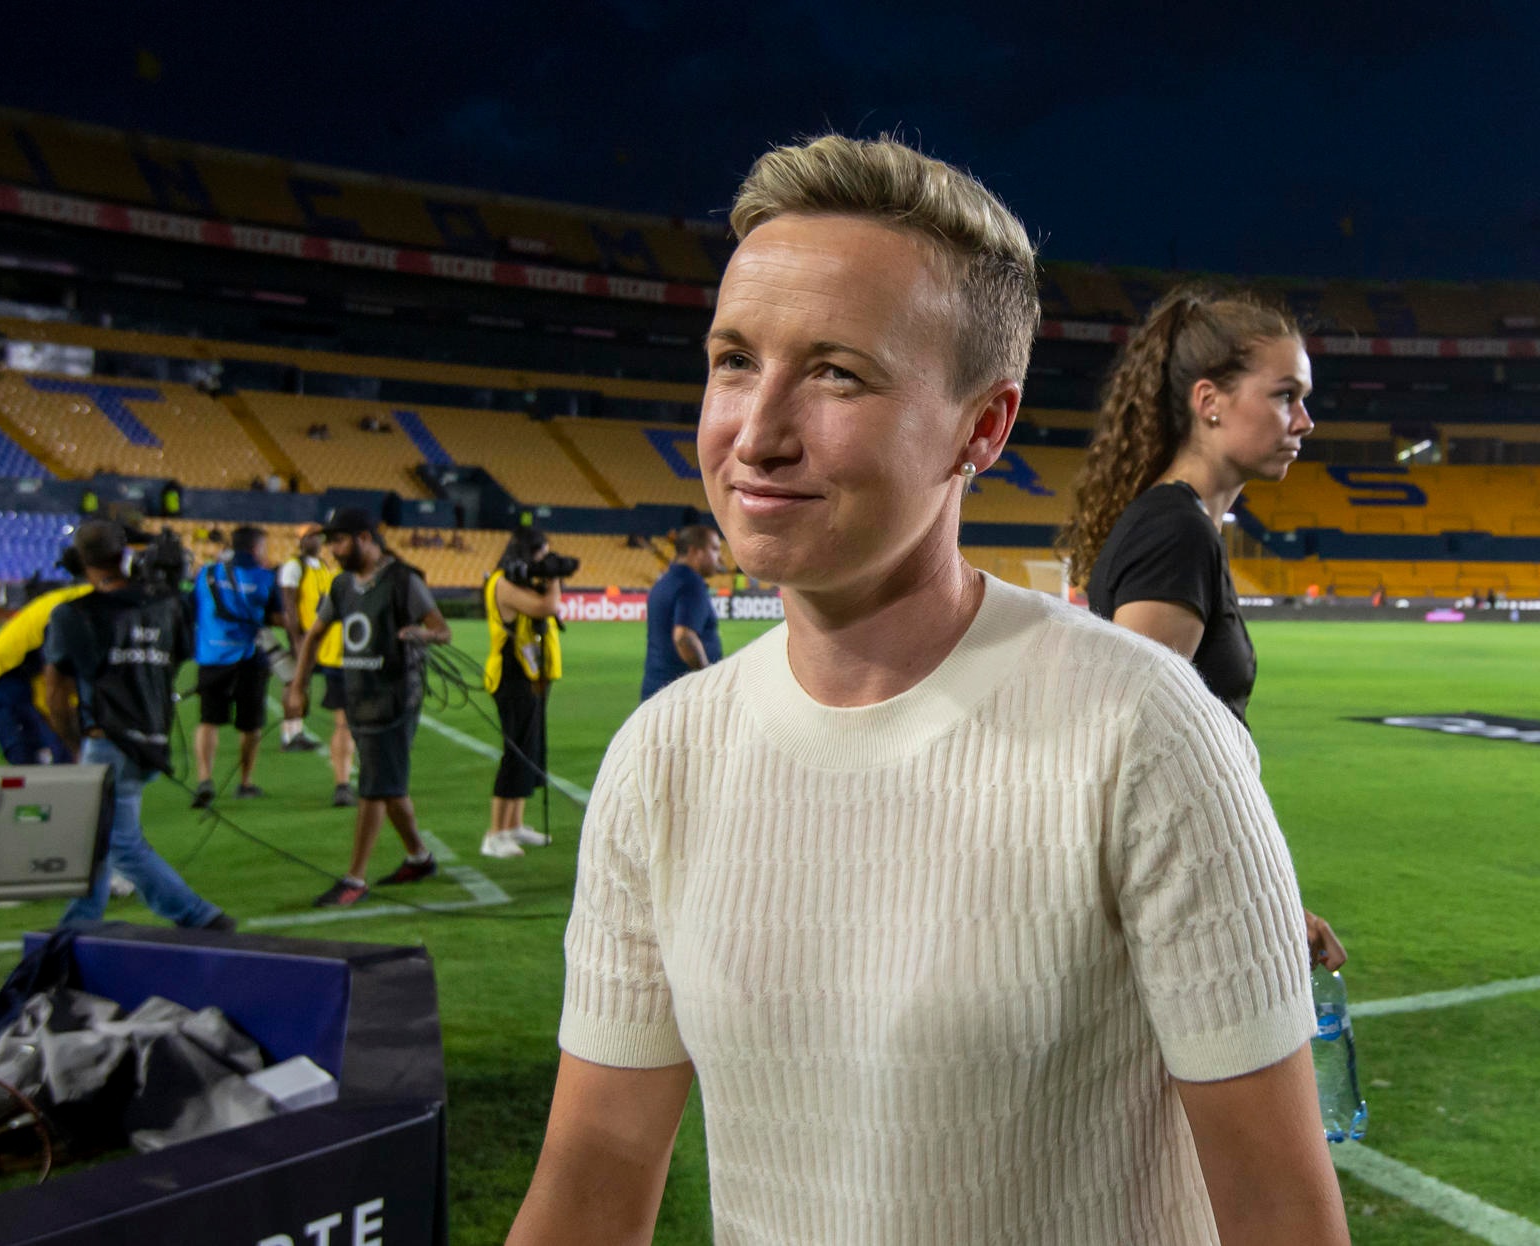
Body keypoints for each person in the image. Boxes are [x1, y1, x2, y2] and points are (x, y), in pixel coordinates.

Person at [510, 136, 1346, 1245]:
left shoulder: (1142, 729)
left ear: (982, 427)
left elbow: (1282, 1219)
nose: (754, 434)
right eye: (733, 360)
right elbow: (596, 1170)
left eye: (836, 372)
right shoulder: (661, 756)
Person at [1061, 287, 1347, 973]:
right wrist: (1260, 902)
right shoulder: (1175, 532)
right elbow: (1136, 755)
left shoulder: (1178, 525)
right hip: (1186, 915)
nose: (1305, 420)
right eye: (1285, 396)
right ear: (1209, 401)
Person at [43, 520, 232, 931]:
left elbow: (56, 691)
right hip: (154, 738)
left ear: (80, 561)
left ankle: (199, 915)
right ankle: (80, 920)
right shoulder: (167, 606)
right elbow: (183, 650)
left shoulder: (72, 614)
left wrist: (73, 741)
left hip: (108, 741)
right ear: (124, 554)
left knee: (119, 842)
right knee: (96, 836)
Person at [283, 508, 451, 908]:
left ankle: (354, 878)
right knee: (388, 786)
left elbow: (442, 630)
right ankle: (419, 857)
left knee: (374, 788)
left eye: (339, 541)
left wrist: (419, 634)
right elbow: (314, 635)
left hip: (395, 699)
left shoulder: (402, 581)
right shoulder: (342, 586)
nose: (334, 551)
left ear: (363, 538)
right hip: (359, 696)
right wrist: (298, 686)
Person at [478, 528, 564, 859]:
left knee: (529, 750)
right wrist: (554, 578)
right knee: (515, 752)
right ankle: (494, 833)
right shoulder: (502, 582)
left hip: (531, 676)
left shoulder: (519, 581)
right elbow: (546, 607)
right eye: (541, 556)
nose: (544, 564)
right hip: (511, 676)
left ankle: (514, 824)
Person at [189, 525, 279, 806]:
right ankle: (245, 782)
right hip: (249, 658)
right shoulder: (266, 577)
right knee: (250, 725)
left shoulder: (206, 573)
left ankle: (204, 779)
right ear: (256, 547)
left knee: (208, 721)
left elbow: (192, 607)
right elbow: (276, 616)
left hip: (212, 657)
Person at [278, 522, 358, 805]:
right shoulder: (294, 566)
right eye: (311, 536)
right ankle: (291, 733)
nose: (317, 540)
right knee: (296, 682)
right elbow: (289, 603)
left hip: (327, 642)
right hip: (315, 638)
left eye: (319, 536)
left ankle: (296, 732)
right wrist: (297, 636)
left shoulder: (324, 567)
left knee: (309, 689)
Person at [0, 579, 92, 765]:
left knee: (56, 753)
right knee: (31, 755)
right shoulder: (65, 614)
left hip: (23, 674)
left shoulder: (79, 600)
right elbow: (51, 688)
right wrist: (70, 736)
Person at [639, 524, 726, 701]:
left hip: (656, 689)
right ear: (695, 551)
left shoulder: (664, 582)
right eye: (715, 549)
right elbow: (684, 637)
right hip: (681, 696)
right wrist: (707, 676)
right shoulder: (691, 583)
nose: (720, 558)